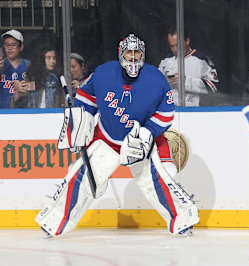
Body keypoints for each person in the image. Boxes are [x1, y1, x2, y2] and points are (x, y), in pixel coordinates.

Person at [35, 34, 199, 237]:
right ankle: (55, 219)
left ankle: (182, 219)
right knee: (84, 177)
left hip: (141, 141)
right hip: (107, 139)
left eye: (136, 52)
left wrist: (147, 133)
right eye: (128, 52)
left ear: (143, 54)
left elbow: (166, 112)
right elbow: (86, 98)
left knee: (157, 180)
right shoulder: (103, 73)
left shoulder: (156, 78)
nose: (132, 57)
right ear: (121, 54)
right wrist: (80, 118)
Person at [158, 26, 219, 106]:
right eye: (172, 46)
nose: (175, 49)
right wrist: (164, 82)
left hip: (194, 112)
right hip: (171, 112)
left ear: (187, 41)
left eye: (178, 45)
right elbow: (154, 89)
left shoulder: (201, 60)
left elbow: (213, 87)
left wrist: (184, 81)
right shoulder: (165, 61)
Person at [0, 29, 30, 108]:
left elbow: (39, 86)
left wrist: (23, 87)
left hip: (24, 112)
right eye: (7, 45)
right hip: (2, 113)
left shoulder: (29, 65)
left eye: (13, 45)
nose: (9, 48)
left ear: (21, 47)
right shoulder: (1, 64)